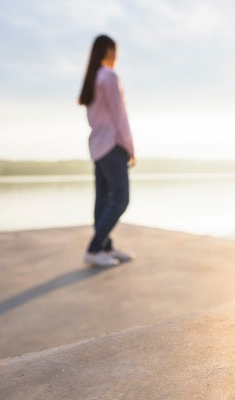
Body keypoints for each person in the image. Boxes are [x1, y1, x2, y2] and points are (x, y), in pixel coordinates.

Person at [78, 34, 135, 267]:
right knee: (120, 199)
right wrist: (129, 147)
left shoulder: (91, 80)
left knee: (103, 200)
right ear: (110, 52)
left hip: (96, 147)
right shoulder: (109, 77)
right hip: (112, 145)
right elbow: (119, 116)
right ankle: (94, 248)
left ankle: (105, 246)